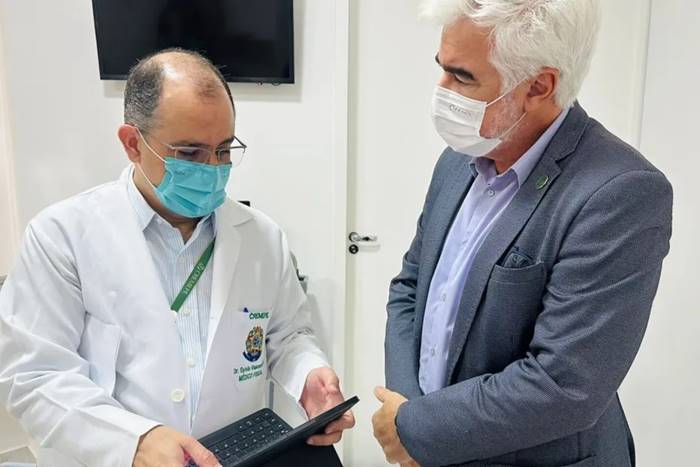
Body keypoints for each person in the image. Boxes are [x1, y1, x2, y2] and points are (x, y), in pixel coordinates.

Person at [0, 48, 354, 467]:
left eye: (224, 150)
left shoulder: (262, 237)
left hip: (231, 457)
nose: (213, 168)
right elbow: (35, 376)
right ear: (133, 143)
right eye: (190, 153)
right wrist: (134, 441)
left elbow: (288, 334)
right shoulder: (62, 236)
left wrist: (308, 374)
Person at [372, 1, 672, 466]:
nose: (441, 91)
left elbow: (563, 384)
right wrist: (408, 417)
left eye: (462, 77)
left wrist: (415, 428)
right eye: (442, 68)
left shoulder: (619, 192)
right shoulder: (458, 159)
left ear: (538, 86)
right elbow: (411, 288)